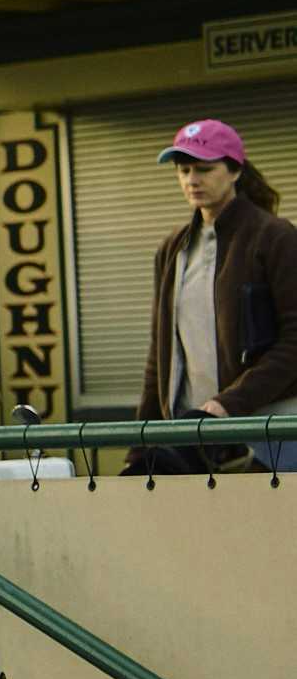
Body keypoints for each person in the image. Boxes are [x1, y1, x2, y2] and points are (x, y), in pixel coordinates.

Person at [126, 118, 297, 476]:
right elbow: (160, 356)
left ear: (235, 171)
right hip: (195, 438)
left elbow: (294, 341)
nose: (192, 179)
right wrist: (140, 445)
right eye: (184, 169)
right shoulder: (172, 249)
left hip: (271, 430)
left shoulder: (275, 237)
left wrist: (226, 405)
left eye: (204, 168)